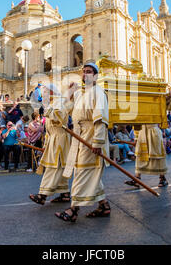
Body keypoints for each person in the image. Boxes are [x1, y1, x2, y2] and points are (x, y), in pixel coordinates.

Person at [55, 61, 110, 223]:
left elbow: (101, 120)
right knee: (89, 172)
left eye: (88, 71)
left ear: (95, 76)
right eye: (83, 71)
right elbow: (64, 111)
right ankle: (104, 205)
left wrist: (98, 143)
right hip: (79, 137)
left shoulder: (99, 93)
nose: (84, 74)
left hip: (92, 137)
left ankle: (73, 209)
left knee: (82, 172)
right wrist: (70, 92)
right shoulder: (80, 94)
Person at [29, 84, 71, 205]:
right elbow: (48, 128)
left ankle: (42, 195)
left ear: (53, 92)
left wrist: (48, 111)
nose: (44, 94)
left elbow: (59, 118)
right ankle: (64, 194)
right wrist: (46, 142)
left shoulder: (60, 102)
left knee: (54, 166)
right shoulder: (53, 104)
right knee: (59, 166)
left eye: (46, 91)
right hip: (54, 138)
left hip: (60, 138)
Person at [124, 124, 168, 188]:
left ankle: (162, 178)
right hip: (141, 133)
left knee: (158, 156)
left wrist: (163, 132)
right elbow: (136, 123)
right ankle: (137, 179)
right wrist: (136, 138)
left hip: (154, 132)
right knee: (140, 156)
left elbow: (163, 121)